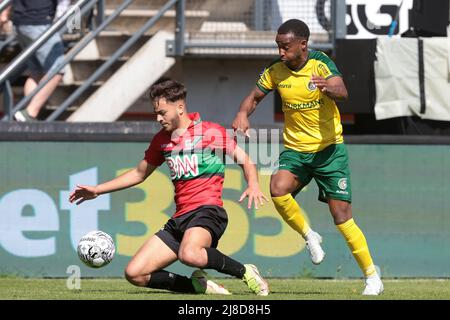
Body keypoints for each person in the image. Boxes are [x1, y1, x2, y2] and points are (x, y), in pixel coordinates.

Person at [69, 80, 270, 296]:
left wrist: (254, 184)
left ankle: (245, 272)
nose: (158, 118)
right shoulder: (161, 141)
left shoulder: (211, 132)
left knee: (190, 254)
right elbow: (139, 173)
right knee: (135, 273)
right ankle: (195, 286)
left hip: (208, 211)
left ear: (180, 108)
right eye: (156, 113)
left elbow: (244, 159)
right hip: (180, 219)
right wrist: (98, 190)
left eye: (162, 112)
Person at [232, 19, 384, 295]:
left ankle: (372, 276)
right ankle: (309, 235)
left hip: (329, 151)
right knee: (277, 189)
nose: (281, 52)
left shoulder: (320, 63)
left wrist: (327, 87)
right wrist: (243, 114)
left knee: (341, 216)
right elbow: (254, 97)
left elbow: (343, 91)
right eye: (278, 47)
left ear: (303, 44)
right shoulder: (275, 71)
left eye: (285, 47)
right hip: (296, 150)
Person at [4, 0, 69, 121]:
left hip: (20, 23)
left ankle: (24, 113)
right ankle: (30, 113)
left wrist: (4, 13)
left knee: (37, 72)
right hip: (39, 21)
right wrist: (61, 17)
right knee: (57, 69)